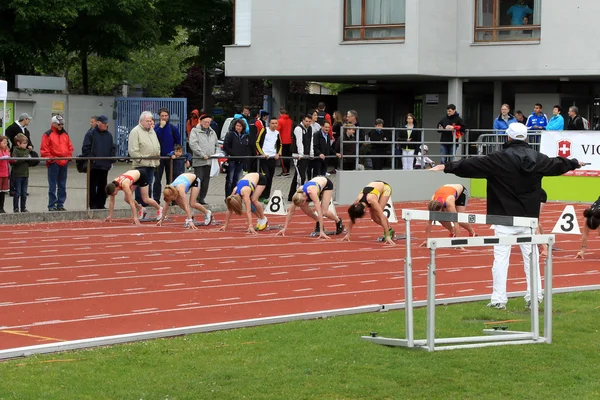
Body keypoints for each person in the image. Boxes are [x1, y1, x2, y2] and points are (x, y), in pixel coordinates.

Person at [430, 122, 584, 310]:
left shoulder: (498, 159)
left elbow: (471, 164)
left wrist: (447, 166)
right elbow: (557, 164)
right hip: (528, 218)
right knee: (532, 259)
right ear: (526, 137)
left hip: (503, 218)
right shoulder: (538, 158)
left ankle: (498, 300)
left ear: (508, 137)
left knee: (501, 260)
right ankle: (534, 298)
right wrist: (574, 163)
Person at [277, 176, 344, 239]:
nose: (300, 206)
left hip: (326, 185)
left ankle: (338, 220)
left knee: (324, 211)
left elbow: (319, 212)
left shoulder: (312, 193)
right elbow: (291, 211)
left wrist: (321, 232)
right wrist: (284, 228)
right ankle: (317, 220)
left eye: (300, 204)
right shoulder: (297, 195)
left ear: (304, 199)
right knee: (304, 207)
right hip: (315, 184)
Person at [128, 111, 161, 215]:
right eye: (147, 121)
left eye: (150, 121)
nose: (149, 123)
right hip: (141, 165)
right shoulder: (135, 131)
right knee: (139, 188)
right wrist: (141, 160)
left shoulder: (152, 130)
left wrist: (157, 155)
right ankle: (141, 208)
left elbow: (156, 144)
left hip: (151, 164)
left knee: (149, 185)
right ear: (141, 121)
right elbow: (133, 150)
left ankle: (146, 206)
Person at [343, 181, 396, 245]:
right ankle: (389, 228)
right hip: (373, 187)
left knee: (377, 214)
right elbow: (352, 217)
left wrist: (387, 236)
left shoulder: (372, 201)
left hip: (385, 188)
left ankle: (388, 231)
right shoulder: (357, 201)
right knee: (373, 217)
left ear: (364, 210)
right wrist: (348, 234)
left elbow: (382, 216)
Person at [81, 115, 116, 210]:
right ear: (98, 123)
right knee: (92, 186)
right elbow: (85, 148)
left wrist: (111, 159)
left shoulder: (109, 135)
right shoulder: (90, 134)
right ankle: (92, 205)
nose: (105, 125)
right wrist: (92, 159)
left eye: (106, 123)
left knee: (103, 186)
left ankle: (101, 204)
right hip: (94, 165)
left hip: (105, 165)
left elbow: (112, 148)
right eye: (103, 123)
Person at [40, 115, 74, 212]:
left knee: (62, 185)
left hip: (64, 162)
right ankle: (51, 205)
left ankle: (60, 204)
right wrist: (51, 159)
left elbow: (70, 147)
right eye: (59, 124)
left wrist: (67, 158)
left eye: (62, 124)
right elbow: (44, 149)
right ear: (53, 124)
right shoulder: (47, 134)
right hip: (54, 163)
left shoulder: (65, 134)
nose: (61, 126)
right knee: (52, 185)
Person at [189, 114, 219, 205]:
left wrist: (216, 154)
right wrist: (202, 155)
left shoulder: (212, 132)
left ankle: (202, 199)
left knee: (206, 181)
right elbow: (193, 144)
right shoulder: (195, 131)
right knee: (198, 181)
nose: (207, 123)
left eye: (209, 122)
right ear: (201, 122)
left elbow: (217, 145)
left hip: (210, 161)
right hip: (199, 161)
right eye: (205, 122)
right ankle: (194, 199)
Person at [153, 108, 181, 202]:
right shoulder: (156, 128)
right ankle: (156, 200)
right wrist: (161, 127)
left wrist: (176, 153)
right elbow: (154, 139)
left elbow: (178, 142)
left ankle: (172, 199)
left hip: (170, 158)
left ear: (168, 117)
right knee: (157, 179)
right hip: (159, 158)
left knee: (171, 179)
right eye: (162, 116)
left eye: (166, 116)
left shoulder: (173, 128)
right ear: (159, 117)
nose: (164, 118)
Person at [223, 119, 250, 200]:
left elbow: (246, 147)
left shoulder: (245, 136)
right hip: (232, 160)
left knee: (236, 180)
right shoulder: (230, 134)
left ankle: (234, 196)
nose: (238, 127)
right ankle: (228, 197)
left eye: (240, 126)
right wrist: (232, 154)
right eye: (237, 126)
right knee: (230, 180)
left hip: (240, 160)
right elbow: (226, 146)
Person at [256, 117, 282, 201]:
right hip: (264, 158)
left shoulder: (277, 133)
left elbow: (280, 144)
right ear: (269, 124)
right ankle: (259, 195)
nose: (274, 125)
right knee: (265, 176)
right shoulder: (264, 130)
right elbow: (257, 142)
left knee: (270, 177)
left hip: (272, 158)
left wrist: (278, 153)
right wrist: (262, 153)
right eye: (272, 123)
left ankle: (266, 196)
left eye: (276, 123)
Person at [287, 114, 313, 201]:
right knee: (300, 177)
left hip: (305, 155)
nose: (308, 123)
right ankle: (298, 196)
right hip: (297, 155)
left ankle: (291, 196)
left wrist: (311, 153)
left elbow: (310, 141)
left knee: (297, 176)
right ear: (303, 120)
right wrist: (301, 154)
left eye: (309, 121)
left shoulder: (309, 129)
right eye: (306, 121)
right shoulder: (298, 129)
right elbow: (299, 142)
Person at [10, 134, 31, 212]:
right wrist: (24, 159)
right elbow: (15, 161)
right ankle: (15, 207)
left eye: (26, 143)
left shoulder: (27, 151)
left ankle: (23, 207)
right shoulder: (15, 150)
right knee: (17, 192)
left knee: (24, 193)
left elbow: (30, 161)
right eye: (24, 143)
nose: (26, 145)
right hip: (18, 174)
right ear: (18, 143)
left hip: (25, 174)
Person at [277, 108, 293, 176]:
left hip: (282, 141)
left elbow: (277, 131)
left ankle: (284, 171)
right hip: (289, 140)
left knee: (282, 156)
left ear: (280, 113)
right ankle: (288, 170)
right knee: (288, 156)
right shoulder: (290, 120)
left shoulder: (279, 121)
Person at [0, 135, 10, 213]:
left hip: (5, 174)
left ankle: (2, 207)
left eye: (6, 143)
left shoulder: (6, 150)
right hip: (0, 174)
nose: (5, 144)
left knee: (3, 192)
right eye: (4, 143)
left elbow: (8, 161)